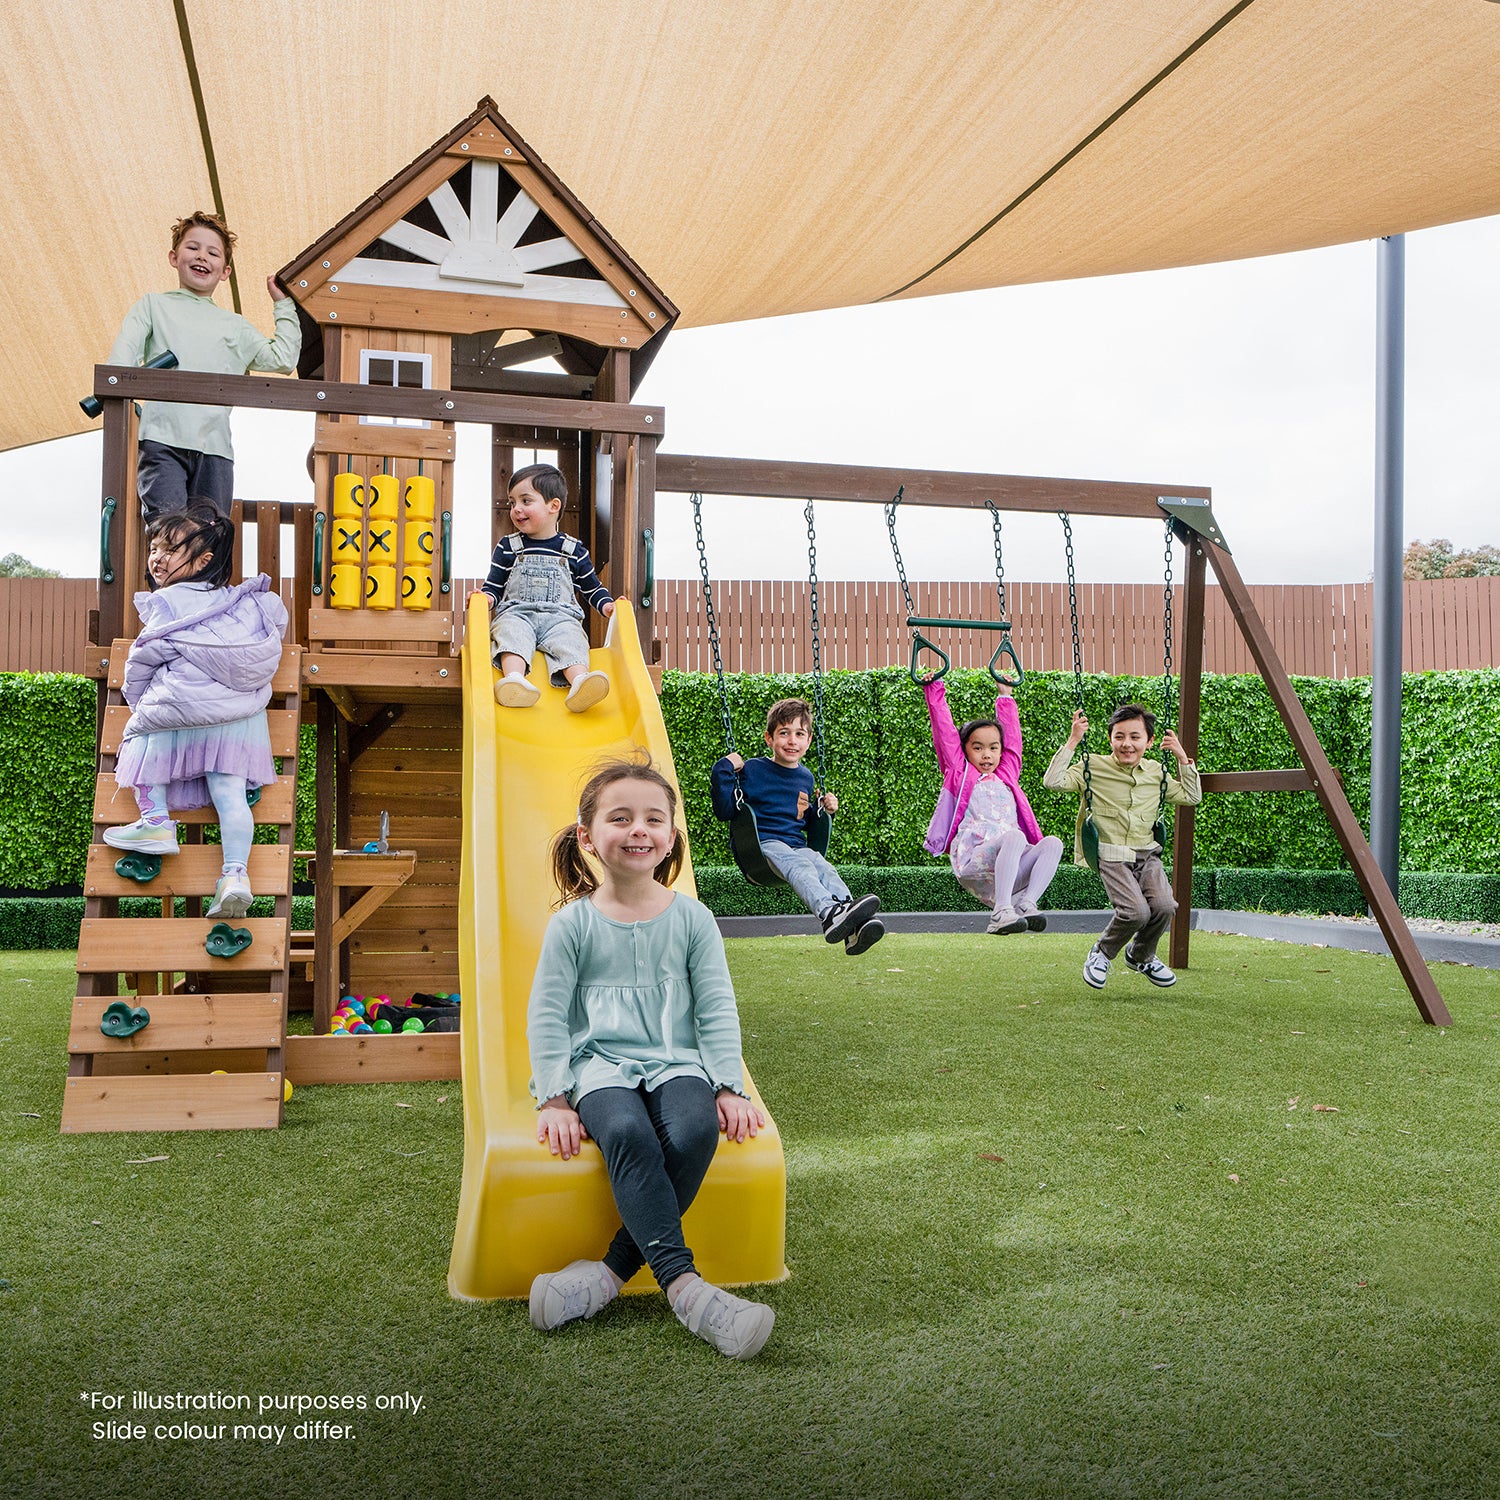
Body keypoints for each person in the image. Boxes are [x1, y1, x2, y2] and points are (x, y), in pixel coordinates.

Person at [527, 756, 776, 1360]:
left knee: (694, 1132)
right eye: (620, 818)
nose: (638, 829)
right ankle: (688, 1292)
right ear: (587, 837)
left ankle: (607, 1275)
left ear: (669, 836)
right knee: (626, 1132)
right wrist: (554, 1097)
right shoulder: (572, 925)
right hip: (597, 1064)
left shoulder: (693, 919)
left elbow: (716, 1007)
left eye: (653, 819)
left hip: (676, 1060)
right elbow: (548, 1014)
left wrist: (727, 1085)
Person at [102, 504, 287, 919]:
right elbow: (272, 630)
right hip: (239, 722)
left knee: (141, 739)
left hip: (179, 716)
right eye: (154, 548)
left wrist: (139, 702)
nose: (157, 558)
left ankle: (156, 822)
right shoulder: (242, 605)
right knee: (231, 796)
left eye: (170, 550)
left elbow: (144, 657)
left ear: (203, 561)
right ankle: (235, 876)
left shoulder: (166, 600)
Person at [106, 212, 301, 521]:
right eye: (193, 247)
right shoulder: (153, 306)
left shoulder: (234, 326)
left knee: (209, 537)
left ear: (225, 272)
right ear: (174, 257)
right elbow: (121, 361)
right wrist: (121, 393)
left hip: (215, 449)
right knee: (169, 529)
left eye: (213, 253)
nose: (202, 257)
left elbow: (283, 358)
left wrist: (283, 304)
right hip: (162, 441)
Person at [1043, 702, 1201, 990]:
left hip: (1147, 853)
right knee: (1135, 912)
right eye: (1119, 736)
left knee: (1165, 906)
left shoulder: (1156, 772)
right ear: (1110, 739)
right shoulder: (1092, 766)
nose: (1127, 744)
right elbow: (1052, 782)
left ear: (1150, 742)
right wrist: (1074, 740)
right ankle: (1101, 954)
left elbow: (1191, 797)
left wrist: (1181, 757)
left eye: (1135, 737)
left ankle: (1140, 955)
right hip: (1110, 853)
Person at [710, 698, 884, 955]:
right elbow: (725, 811)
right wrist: (723, 768)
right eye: (784, 733)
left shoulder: (806, 777)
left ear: (809, 740)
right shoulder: (752, 769)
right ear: (769, 738)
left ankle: (852, 924)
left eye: (800, 734)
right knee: (801, 864)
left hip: (794, 846)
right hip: (761, 847)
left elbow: (805, 820)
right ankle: (828, 913)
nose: (792, 741)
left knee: (822, 865)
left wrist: (824, 810)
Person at [921, 674, 1064, 934]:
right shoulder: (961, 773)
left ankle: (1026, 904)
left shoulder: (1007, 774)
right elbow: (945, 733)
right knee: (1015, 836)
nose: (986, 754)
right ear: (964, 750)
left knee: (1053, 843)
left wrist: (1005, 696)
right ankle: (1001, 912)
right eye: (978, 748)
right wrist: (933, 689)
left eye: (993, 748)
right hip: (974, 859)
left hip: (1008, 863)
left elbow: (1013, 742)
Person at [476, 463, 614, 712]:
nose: (516, 509)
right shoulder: (508, 546)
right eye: (512, 502)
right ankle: (514, 680)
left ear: (553, 505)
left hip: (560, 619)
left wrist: (607, 606)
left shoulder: (573, 550)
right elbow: (494, 587)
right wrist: (485, 598)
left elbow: (592, 588)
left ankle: (580, 683)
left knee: (571, 638)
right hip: (518, 614)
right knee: (510, 632)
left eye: (526, 501)